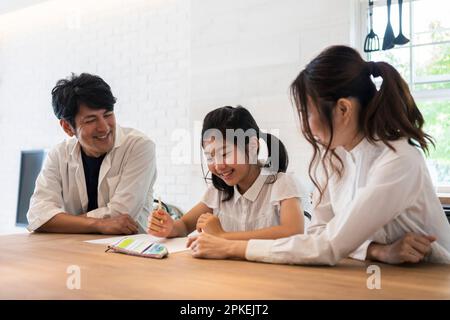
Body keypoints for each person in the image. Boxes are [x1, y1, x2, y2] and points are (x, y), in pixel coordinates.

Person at [187, 45, 450, 265]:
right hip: (386, 275)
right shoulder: (333, 160)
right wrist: (376, 250)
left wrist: (229, 247)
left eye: (308, 114)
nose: (305, 126)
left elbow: (328, 245)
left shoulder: (398, 160)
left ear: (343, 109)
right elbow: (320, 233)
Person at [148, 106, 305, 240]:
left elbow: (292, 232)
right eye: (210, 157)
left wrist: (222, 236)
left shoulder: (281, 182)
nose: (218, 165)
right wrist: (169, 227)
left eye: (224, 154)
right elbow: (183, 226)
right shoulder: (218, 191)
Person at [27, 73, 157, 235]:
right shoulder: (59, 154)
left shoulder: (139, 146)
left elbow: (122, 214)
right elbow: (38, 215)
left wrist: (62, 221)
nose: (104, 128)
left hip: (127, 249)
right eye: (90, 120)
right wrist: (99, 225)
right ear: (67, 127)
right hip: (73, 248)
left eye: (108, 115)